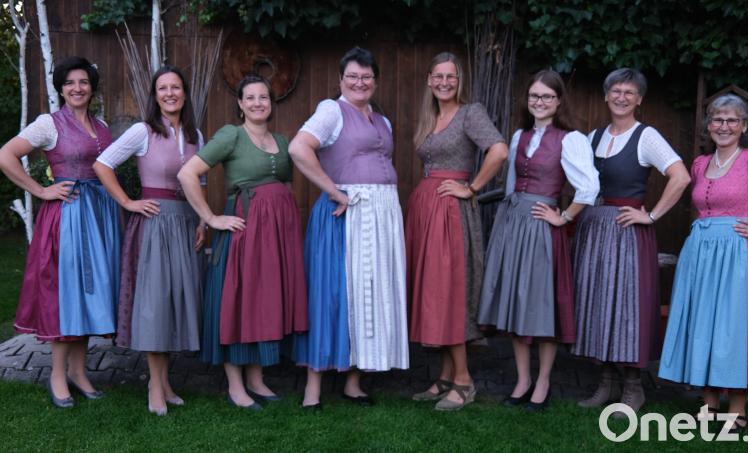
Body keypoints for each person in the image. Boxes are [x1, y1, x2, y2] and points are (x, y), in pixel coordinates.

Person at [658, 94, 748, 431]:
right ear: (708, 125)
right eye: (717, 119)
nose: (723, 126)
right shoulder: (699, 163)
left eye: (731, 120)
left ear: (743, 126)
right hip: (701, 254)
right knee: (703, 324)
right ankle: (708, 405)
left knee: (734, 327)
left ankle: (737, 409)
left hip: (738, 257)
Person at [178, 74, 308, 410]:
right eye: (250, 98)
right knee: (237, 303)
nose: (257, 103)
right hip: (244, 233)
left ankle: (256, 378)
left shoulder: (281, 140)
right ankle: (235, 385)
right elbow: (187, 173)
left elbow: (286, 188)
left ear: (271, 102)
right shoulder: (231, 135)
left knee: (260, 302)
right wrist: (211, 218)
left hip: (275, 237)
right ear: (240, 103)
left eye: (263, 97)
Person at [289, 47, 408, 409]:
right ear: (341, 80)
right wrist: (334, 192)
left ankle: (354, 380)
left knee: (369, 294)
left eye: (367, 76)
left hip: (382, 215)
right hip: (348, 215)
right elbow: (299, 148)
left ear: (375, 81)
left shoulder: (381, 121)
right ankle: (313, 389)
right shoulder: (331, 110)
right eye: (353, 76)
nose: (360, 82)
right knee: (332, 294)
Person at [0, 56, 120, 408]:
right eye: (70, 83)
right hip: (67, 217)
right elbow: (6, 155)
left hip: (98, 215)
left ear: (92, 87)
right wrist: (40, 191)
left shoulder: (102, 126)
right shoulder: (48, 124)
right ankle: (57, 375)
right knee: (67, 295)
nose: (77, 88)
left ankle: (80, 373)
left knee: (89, 294)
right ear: (61, 88)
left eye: (83, 82)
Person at [571, 68, 690, 415]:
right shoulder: (593, 137)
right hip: (594, 229)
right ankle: (606, 382)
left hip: (627, 231)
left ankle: (633, 386)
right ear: (606, 96)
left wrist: (650, 215)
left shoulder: (646, 136)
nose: (622, 97)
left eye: (630, 92)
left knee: (626, 306)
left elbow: (680, 177)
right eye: (616, 91)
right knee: (597, 302)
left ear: (639, 99)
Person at [478, 70, 599, 412]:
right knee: (516, 303)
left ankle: (543, 381)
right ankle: (522, 379)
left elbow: (589, 187)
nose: (540, 102)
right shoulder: (519, 135)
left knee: (541, 307)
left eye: (547, 96)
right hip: (514, 224)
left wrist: (563, 216)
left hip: (543, 228)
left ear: (559, 101)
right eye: (534, 96)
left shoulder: (571, 139)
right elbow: (514, 182)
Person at [93, 65, 204, 416]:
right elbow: (102, 164)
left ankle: (166, 382)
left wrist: (203, 219)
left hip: (186, 224)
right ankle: (154, 387)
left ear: (184, 94)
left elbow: (198, 184)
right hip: (155, 225)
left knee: (174, 305)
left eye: (175, 87)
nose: (169, 93)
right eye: (162, 88)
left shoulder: (195, 134)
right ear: (154, 96)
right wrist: (128, 202)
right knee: (156, 306)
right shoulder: (143, 132)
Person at [406, 52, 507, 411]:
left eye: (450, 76)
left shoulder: (470, 112)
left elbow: (498, 150)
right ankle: (446, 376)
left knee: (449, 290)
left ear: (458, 79)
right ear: (430, 80)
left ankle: (464, 381)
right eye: (438, 76)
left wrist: (473, 187)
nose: (444, 82)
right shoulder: (430, 116)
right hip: (426, 209)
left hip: (451, 212)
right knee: (434, 289)